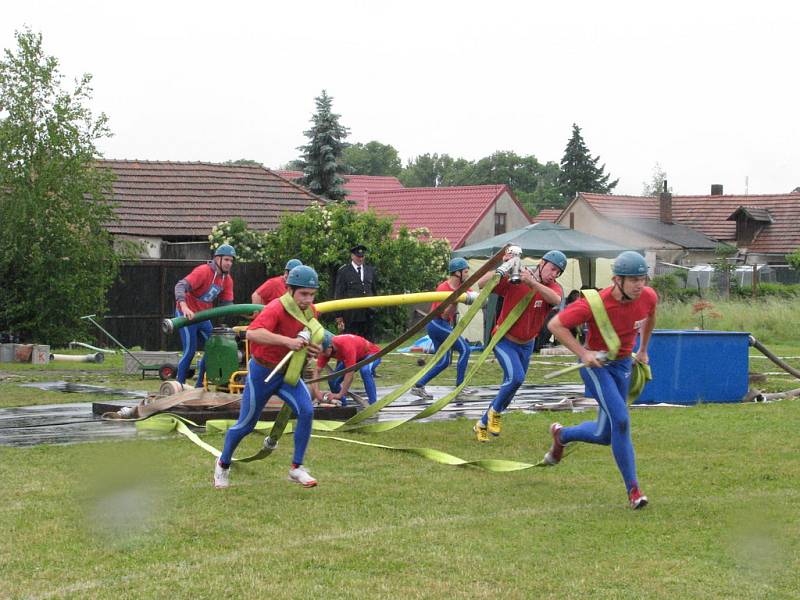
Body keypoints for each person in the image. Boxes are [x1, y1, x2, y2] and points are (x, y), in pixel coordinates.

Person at [545, 250, 657, 510]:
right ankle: (634, 491)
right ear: (617, 280)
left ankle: (562, 435)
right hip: (596, 367)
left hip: (623, 366)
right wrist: (583, 353)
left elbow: (650, 317)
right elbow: (555, 325)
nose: (640, 285)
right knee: (621, 419)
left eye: (642, 279)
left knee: (605, 434)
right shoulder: (594, 303)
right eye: (633, 280)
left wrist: (642, 350)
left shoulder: (648, 296)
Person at [214, 265, 324, 489]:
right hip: (262, 373)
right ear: (290, 290)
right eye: (303, 293)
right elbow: (253, 333)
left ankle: (296, 468)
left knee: (307, 411)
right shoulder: (275, 307)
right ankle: (223, 464)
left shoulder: (310, 310)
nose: (308, 299)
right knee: (246, 425)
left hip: (288, 373)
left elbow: (316, 334)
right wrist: (287, 342)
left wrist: (314, 348)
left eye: (312, 294)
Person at [473, 248, 566, 442]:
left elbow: (557, 300)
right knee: (515, 378)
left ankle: (482, 423)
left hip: (527, 344)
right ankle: (494, 413)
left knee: (511, 388)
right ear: (542, 263)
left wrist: (533, 282)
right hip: (504, 341)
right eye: (552, 268)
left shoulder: (552, 287)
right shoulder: (517, 276)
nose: (554, 274)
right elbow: (482, 283)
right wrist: (503, 266)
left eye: (558, 272)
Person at [410, 257, 475, 402]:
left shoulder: (462, 286)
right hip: (437, 324)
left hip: (442, 325)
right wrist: (456, 299)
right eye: (465, 271)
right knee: (465, 349)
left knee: (444, 362)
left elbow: (473, 296)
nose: (468, 274)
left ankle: (418, 386)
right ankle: (460, 387)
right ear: (457, 273)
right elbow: (445, 314)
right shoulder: (443, 288)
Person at [174, 244, 236, 386]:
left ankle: (200, 385)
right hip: (186, 316)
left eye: (231, 261)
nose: (229, 263)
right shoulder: (203, 271)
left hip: (203, 316)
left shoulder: (227, 280)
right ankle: (179, 386)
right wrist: (183, 306)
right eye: (226, 259)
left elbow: (227, 305)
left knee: (214, 348)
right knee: (190, 351)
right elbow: (180, 286)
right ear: (217, 259)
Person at [310, 331, 381, 406]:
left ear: (330, 346)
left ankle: (373, 404)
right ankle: (343, 404)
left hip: (371, 353)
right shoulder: (324, 350)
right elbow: (317, 371)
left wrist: (340, 394)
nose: (322, 355)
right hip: (355, 356)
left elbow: (350, 374)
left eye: (324, 352)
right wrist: (316, 392)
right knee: (332, 380)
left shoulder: (346, 346)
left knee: (365, 370)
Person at [334, 244, 377, 339]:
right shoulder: (344, 271)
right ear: (352, 256)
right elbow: (339, 293)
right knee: (352, 341)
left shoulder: (370, 270)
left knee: (369, 342)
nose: (360, 259)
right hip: (351, 315)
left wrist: (375, 308)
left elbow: (374, 290)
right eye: (358, 256)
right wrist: (339, 316)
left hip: (368, 314)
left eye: (362, 256)